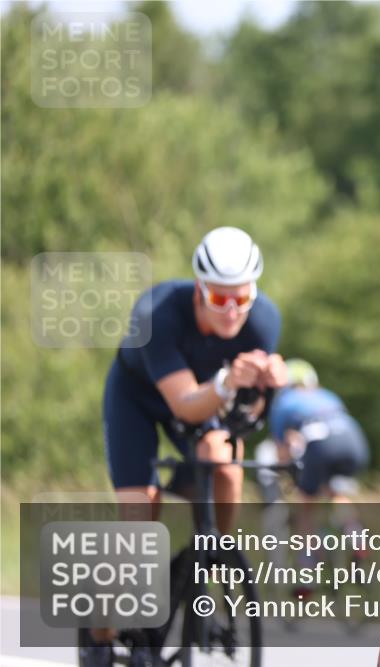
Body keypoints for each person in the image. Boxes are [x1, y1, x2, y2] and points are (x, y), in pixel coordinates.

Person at [85, 226, 286, 665]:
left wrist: (266, 393)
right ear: (200, 288)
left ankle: (209, 559)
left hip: (207, 398)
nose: (232, 310)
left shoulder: (265, 319)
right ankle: (100, 638)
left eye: (242, 297)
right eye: (219, 299)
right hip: (140, 398)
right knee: (141, 512)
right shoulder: (158, 313)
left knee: (226, 466)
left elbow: (245, 419)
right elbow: (186, 404)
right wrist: (228, 380)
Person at [256, 358, 370, 597]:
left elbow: (282, 454)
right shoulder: (328, 395)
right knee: (337, 494)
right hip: (354, 440)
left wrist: (290, 479)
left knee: (305, 507)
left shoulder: (284, 403)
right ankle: (357, 539)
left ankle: (307, 573)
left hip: (322, 445)